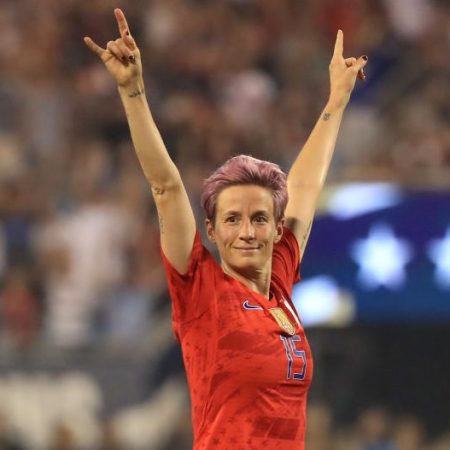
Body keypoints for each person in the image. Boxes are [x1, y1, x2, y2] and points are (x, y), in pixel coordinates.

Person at [84, 8, 367, 450]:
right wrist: (132, 91)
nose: (247, 232)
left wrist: (336, 101)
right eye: (232, 219)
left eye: (259, 218)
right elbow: (165, 186)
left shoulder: (280, 288)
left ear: (277, 228)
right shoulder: (203, 292)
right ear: (212, 231)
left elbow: (305, 187)